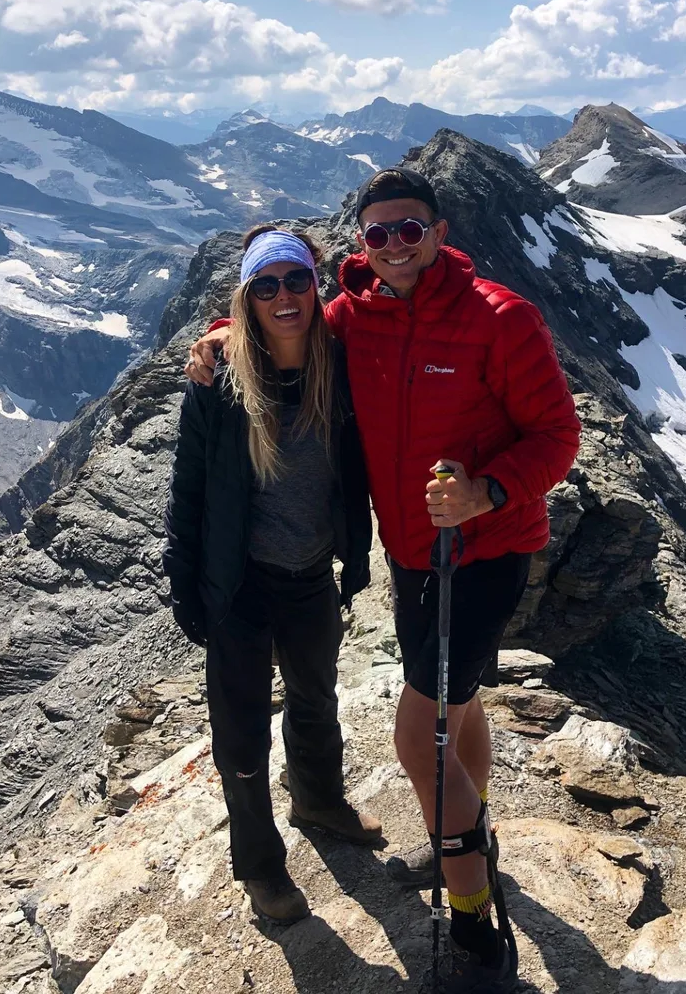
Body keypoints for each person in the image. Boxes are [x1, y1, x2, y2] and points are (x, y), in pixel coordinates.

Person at [186, 170, 581, 991]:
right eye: (377, 233)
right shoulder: (350, 319)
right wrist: (223, 333)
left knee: (416, 736)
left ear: (438, 230)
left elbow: (557, 433)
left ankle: (473, 926)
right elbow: (277, 324)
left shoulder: (499, 318)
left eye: (409, 229)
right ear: (361, 244)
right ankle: (470, 838)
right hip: (413, 558)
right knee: (457, 701)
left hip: (482, 553)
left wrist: (488, 489)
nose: (394, 245)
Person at [163, 225, 382, 927]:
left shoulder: (342, 367)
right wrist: (187, 588)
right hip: (240, 583)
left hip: (312, 572)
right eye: (266, 285)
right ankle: (260, 866)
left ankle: (318, 799)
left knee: (316, 699)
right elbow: (187, 491)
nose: (283, 296)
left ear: (314, 289)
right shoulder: (219, 383)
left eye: (295, 281)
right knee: (241, 730)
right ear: (247, 298)